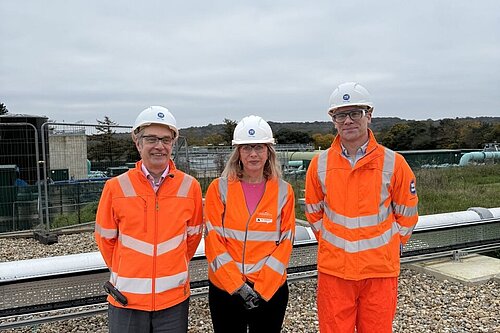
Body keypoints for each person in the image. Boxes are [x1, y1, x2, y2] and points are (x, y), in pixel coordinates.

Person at [305, 82, 419, 333]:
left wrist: (388, 247)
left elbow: (408, 215)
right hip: (335, 271)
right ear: (332, 119)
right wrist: (334, 244)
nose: (348, 120)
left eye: (355, 113)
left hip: (379, 271)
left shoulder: (394, 163)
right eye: (340, 115)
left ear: (369, 115)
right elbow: (313, 212)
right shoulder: (319, 164)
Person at [95, 106, 204, 333]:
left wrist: (170, 267)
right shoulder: (115, 187)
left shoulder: (189, 186)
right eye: (151, 138)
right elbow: (106, 240)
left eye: (166, 139)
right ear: (138, 143)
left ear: (173, 144)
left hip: (173, 301)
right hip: (126, 299)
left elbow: (192, 238)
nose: (159, 146)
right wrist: (130, 270)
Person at [204, 115, 296, 333]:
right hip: (225, 290)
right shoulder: (219, 189)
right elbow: (213, 240)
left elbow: (285, 242)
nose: (253, 154)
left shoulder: (284, 191)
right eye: (246, 148)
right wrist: (237, 286)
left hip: (270, 291)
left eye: (259, 147)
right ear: (238, 153)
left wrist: (262, 288)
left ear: (268, 152)